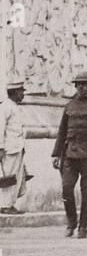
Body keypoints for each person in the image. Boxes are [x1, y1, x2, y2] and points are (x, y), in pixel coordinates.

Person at [52, 69, 87, 238]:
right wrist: (56, 154)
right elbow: (62, 132)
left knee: (86, 192)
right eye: (79, 84)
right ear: (75, 86)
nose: (82, 87)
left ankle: (83, 226)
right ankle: (71, 222)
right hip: (70, 154)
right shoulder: (69, 106)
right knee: (66, 189)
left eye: (86, 84)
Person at [0, 77, 28, 214]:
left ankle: (10, 204)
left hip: (17, 147)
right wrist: (0, 148)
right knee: (8, 178)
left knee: (15, 177)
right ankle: (5, 205)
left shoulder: (14, 107)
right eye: (21, 91)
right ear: (15, 92)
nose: (22, 94)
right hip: (9, 149)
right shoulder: (5, 107)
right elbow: (0, 129)